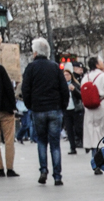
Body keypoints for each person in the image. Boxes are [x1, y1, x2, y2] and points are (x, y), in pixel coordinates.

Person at [21, 38, 69, 186]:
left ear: (35, 52)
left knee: (41, 141)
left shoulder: (30, 68)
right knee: (55, 143)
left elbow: (25, 90)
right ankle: (57, 175)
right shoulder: (55, 67)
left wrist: (30, 106)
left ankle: (43, 170)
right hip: (54, 108)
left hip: (38, 109)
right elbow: (64, 89)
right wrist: (63, 106)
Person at [0, 57, 18, 177]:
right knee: (8, 139)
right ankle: (10, 168)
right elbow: (8, 88)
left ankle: (0, 168)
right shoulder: (0, 69)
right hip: (5, 109)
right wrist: (13, 106)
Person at [62, 68, 84, 155]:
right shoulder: (62, 86)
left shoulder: (75, 84)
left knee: (78, 128)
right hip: (67, 110)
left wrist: (74, 90)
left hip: (76, 109)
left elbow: (81, 96)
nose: (66, 77)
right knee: (69, 129)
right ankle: (72, 147)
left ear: (71, 75)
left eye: (67, 75)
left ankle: (82, 141)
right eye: (64, 75)